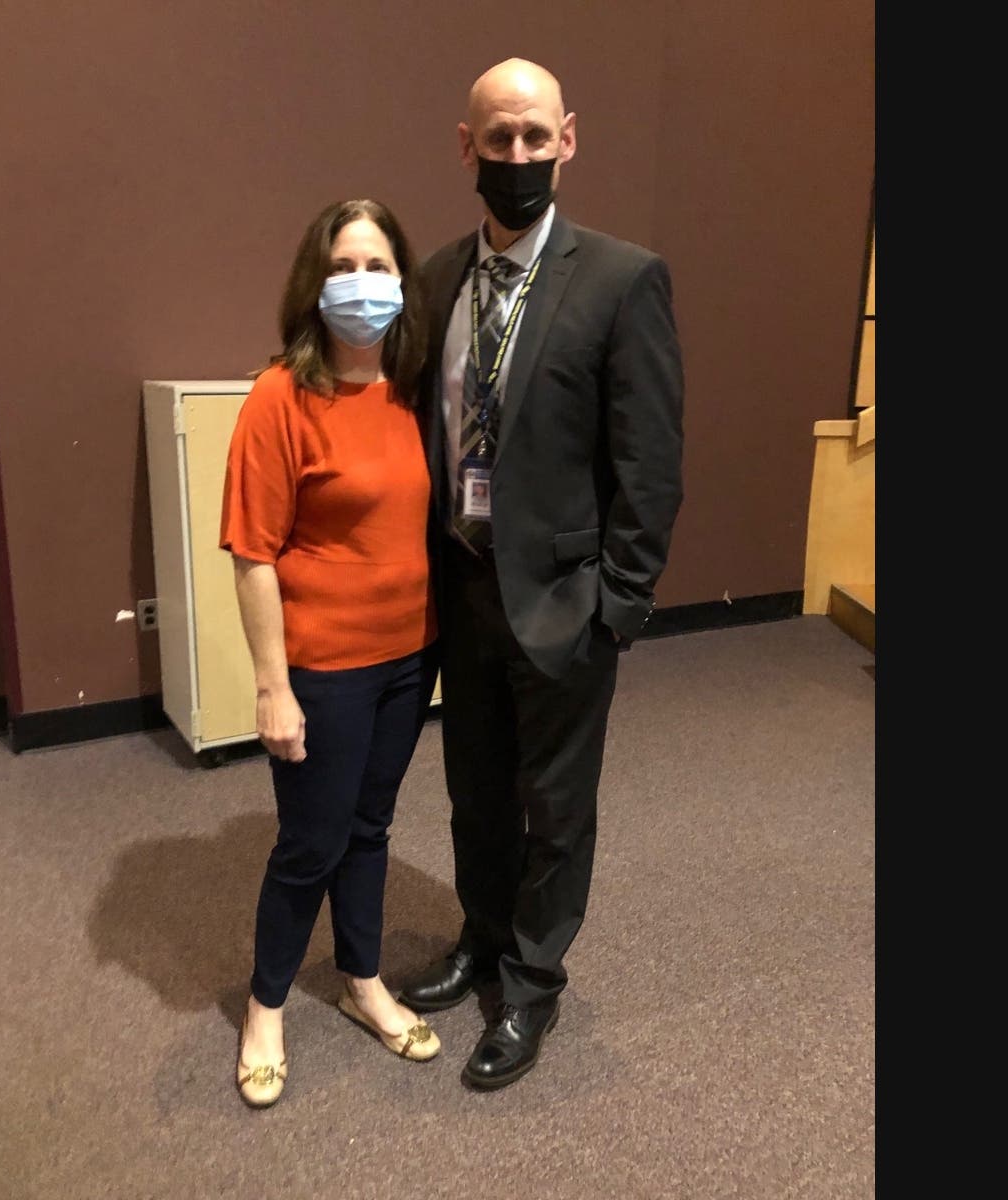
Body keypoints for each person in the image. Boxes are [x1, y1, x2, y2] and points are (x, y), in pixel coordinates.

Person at [398, 58, 685, 1090]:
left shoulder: (620, 278)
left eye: (533, 136)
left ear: (567, 138)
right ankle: (479, 936)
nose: (515, 156)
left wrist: (620, 602)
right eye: (496, 138)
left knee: (555, 808)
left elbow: (649, 461)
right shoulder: (432, 280)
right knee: (474, 792)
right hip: (460, 586)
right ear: (464, 145)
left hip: (567, 600)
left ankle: (529, 985)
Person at [220, 199, 444, 1109]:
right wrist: (273, 688)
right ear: (315, 287)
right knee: (310, 842)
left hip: (409, 657)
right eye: (343, 267)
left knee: (371, 827)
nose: (362, 285)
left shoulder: (415, 385)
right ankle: (265, 1005)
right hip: (324, 665)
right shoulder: (281, 396)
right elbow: (252, 555)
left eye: (379, 267)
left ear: (404, 283)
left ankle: (363, 981)